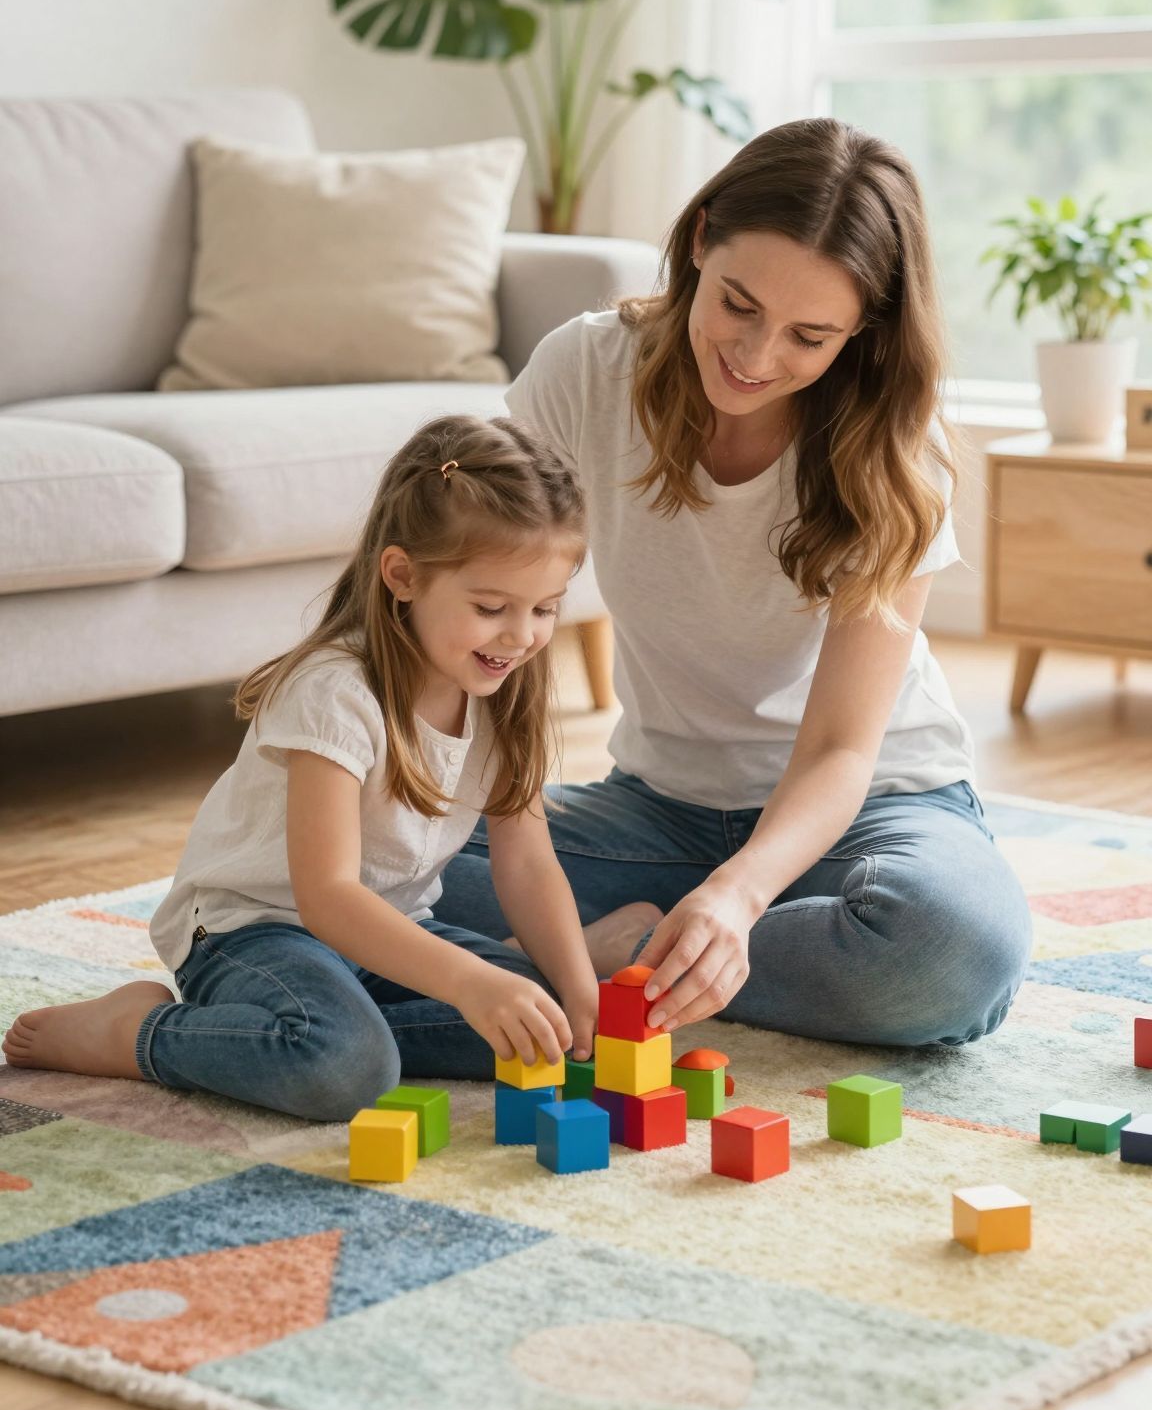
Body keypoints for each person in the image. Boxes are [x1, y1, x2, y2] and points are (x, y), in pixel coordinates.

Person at [438, 118, 1034, 1049]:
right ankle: (662, 948)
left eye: (809, 336)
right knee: (372, 856)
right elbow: (477, 582)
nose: (755, 358)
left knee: (950, 953)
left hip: (868, 811)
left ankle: (618, 957)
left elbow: (841, 748)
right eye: (738, 305)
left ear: (864, 330)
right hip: (658, 812)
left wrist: (741, 894)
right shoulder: (587, 369)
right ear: (700, 239)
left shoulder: (893, 451)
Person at [3, 416, 646, 1120]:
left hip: (388, 933)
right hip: (254, 932)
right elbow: (327, 897)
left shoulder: (502, 691)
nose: (521, 636)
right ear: (403, 576)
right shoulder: (335, 692)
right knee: (344, 1068)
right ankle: (137, 1032)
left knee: (543, 1015)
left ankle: (337, 1026)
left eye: (546, 609)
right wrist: (468, 983)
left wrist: (577, 992)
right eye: (492, 607)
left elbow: (525, 864)